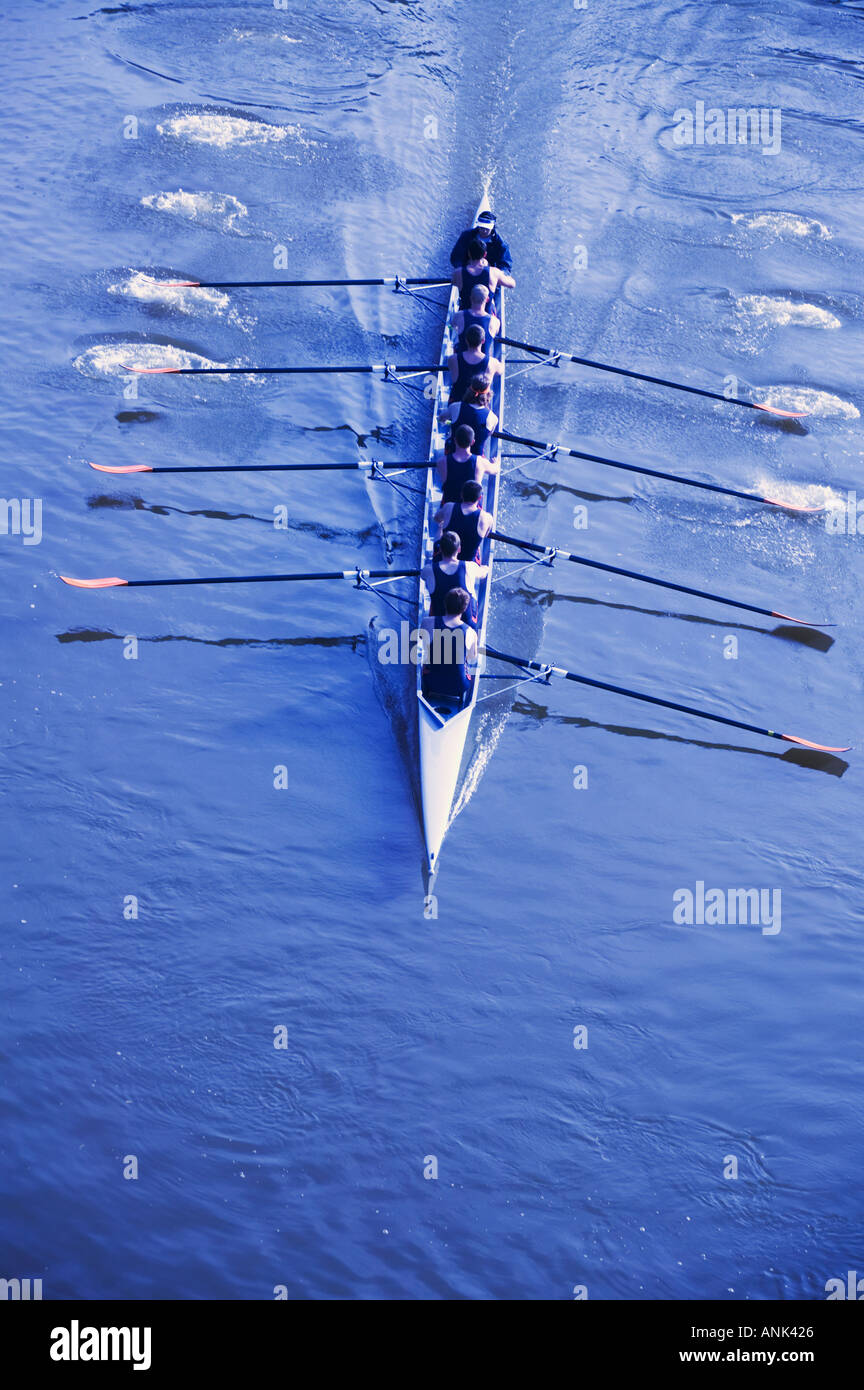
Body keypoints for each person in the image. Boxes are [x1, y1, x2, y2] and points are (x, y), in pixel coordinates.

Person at [421, 587, 477, 705]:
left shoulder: (427, 622)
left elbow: (422, 639)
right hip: (460, 686)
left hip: (431, 682)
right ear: (465, 609)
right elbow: (471, 658)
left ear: (445, 603)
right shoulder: (471, 632)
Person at [421, 529, 487, 628]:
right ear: (459, 549)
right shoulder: (470, 567)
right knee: (472, 594)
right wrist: (486, 568)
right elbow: (483, 574)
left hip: (439, 619)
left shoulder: (428, 570)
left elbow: (422, 576)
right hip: (465, 623)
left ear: (440, 550)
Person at [437, 423, 497, 505]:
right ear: (472, 442)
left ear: (455, 440)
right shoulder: (480, 462)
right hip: (471, 508)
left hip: (449, 505)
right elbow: (495, 470)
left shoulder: (441, 462)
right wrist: (496, 463)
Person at [435, 479, 492, 563]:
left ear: (461, 494)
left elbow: (436, 518)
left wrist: (443, 525)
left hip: (445, 559)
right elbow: (486, 535)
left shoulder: (448, 507)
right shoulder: (487, 518)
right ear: (480, 498)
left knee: (440, 529)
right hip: (468, 565)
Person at [452, 239, 515, 312]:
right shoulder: (494, 272)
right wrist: (501, 277)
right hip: (487, 317)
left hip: (464, 315)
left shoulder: (458, 272)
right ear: (485, 255)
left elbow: (454, 283)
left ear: (469, 253)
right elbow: (512, 284)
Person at [448, 323, 500, 404]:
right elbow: (501, 371)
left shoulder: (452, 359)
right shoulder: (493, 363)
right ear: (483, 341)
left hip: (456, 403)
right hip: (480, 405)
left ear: (466, 340)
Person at [450, 208, 512, 274]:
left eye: (487, 229)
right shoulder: (466, 236)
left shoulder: (501, 244)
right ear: (478, 225)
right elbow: (455, 257)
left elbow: (506, 266)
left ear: (493, 227)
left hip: (489, 274)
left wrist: (498, 274)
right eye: (482, 228)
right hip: (468, 270)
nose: (484, 231)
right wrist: (462, 269)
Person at [451, 372, 498, 456]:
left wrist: (445, 420)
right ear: (488, 395)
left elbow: (441, 418)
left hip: (453, 453)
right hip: (477, 460)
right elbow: (489, 434)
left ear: (469, 390)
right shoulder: (493, 418)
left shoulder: (455, 407)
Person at [453, 283, 499, 350]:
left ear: (470, 297)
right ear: (487, 300)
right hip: (483, 359)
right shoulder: (495, 321)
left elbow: (452, 326)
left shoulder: (459, 315)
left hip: (461, 357)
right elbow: (496, 332)